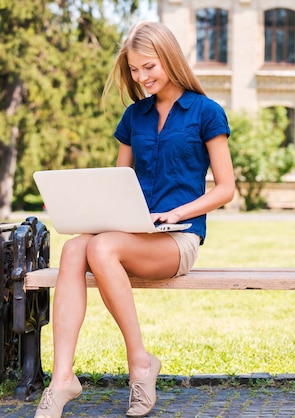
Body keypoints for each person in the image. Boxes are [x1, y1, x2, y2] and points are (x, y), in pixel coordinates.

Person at [34, 21, 235, 418]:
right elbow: (118, 183)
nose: (141, 78)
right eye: (134, 70)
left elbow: (225, 189)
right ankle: (62, 380)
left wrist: (174, 214)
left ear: (170, 60)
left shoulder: (206, 112)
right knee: (75, 248)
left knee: (102, 245)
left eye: (149, 67)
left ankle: (140, 363)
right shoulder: (134, 116)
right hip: (130, 234)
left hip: (179, 238)